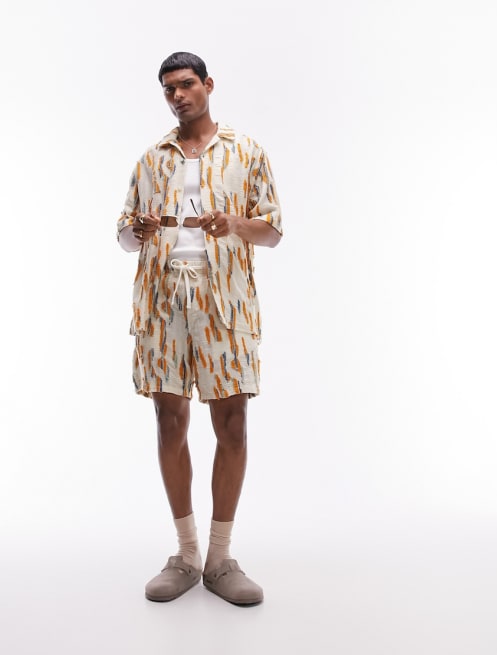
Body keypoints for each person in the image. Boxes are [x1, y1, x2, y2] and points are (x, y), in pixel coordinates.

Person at [116, 52, 282, 606]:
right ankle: (186, 554)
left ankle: (220, 557)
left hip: (224, 302)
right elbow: (123, 236)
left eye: (186, 84)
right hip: (162, 301)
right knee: (169, 421)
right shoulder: (151, 158)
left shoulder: (246, 151)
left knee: (231, 423)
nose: (178, 96)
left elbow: (272, 231)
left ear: (208, 84)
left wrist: (233, 223)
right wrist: (138, 231)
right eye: (169, 89)